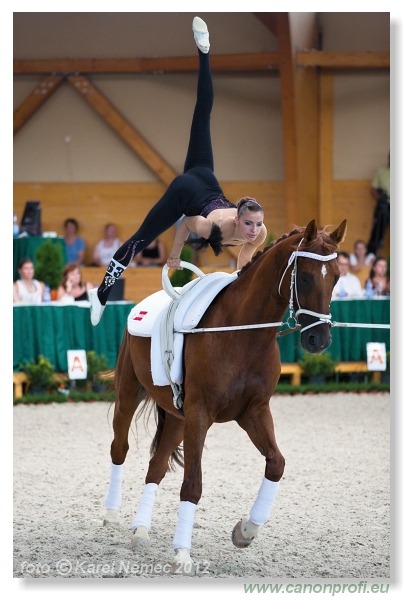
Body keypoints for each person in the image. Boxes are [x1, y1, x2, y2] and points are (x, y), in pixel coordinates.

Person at [89, 16, 267, 326]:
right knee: (140, 239)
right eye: (249, 224)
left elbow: (245, 259)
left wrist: (242, 280)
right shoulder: (215, 227)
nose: (253, 231)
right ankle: (101, 293)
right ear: (236, 220)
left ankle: (204, 50)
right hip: (186, 191)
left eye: (256, 225)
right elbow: (184, 224)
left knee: (203, 112)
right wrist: (174, 254)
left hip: (205, 174)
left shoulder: (260, 233)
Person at [367, 153, 390, 255]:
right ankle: (371, 256)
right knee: (377, 232)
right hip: (385, 204)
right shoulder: (381, 171)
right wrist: (380, 198)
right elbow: (373, 190)